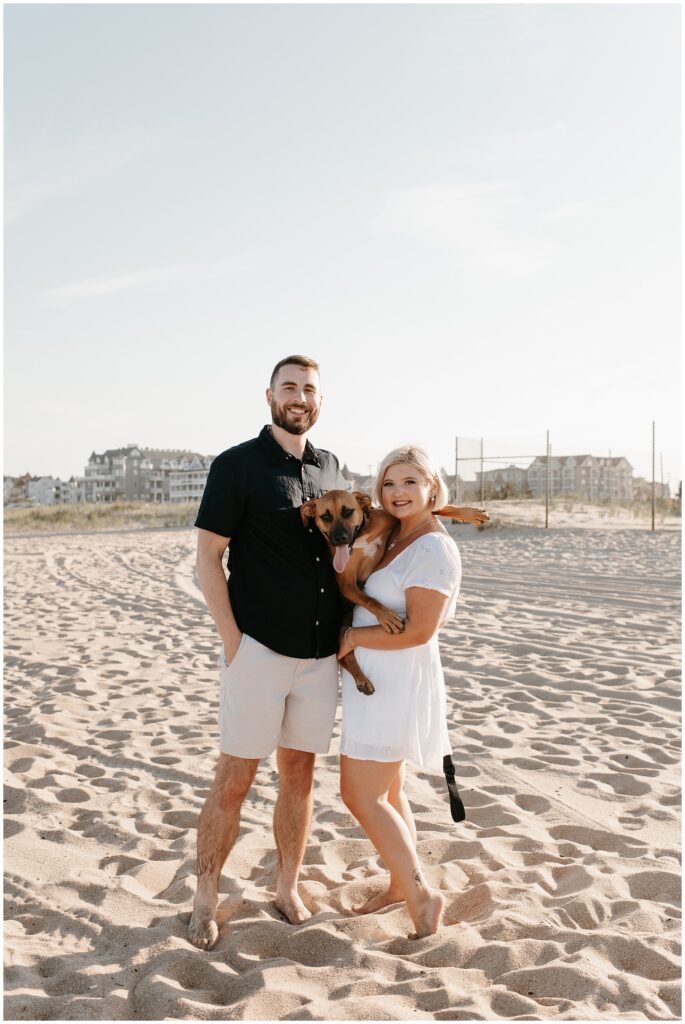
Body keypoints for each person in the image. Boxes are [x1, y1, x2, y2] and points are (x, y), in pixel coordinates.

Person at [187, 355, 346, 950]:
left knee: (299, 777)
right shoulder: (236, 466)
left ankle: (286, 887)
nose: (299, 397)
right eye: (289, 387)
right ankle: (204, 897)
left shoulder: (330, 467)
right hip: (258, 650)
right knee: (235, 778)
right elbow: (208, 558)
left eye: (309, 389)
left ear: (320, 400)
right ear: (269, 395)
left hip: (319, 655)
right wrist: (234, 643)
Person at [336, 445, 462, 939]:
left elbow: (419, 631)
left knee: (359, 794)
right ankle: (398, 883)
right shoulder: (396, 535)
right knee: (388, 790)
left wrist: (351, 638)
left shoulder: (433, 548)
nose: (398, 492)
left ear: (432, 486)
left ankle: (422, 898)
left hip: (394, 681)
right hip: (377, 682)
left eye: (410, 481)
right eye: (389, 483)